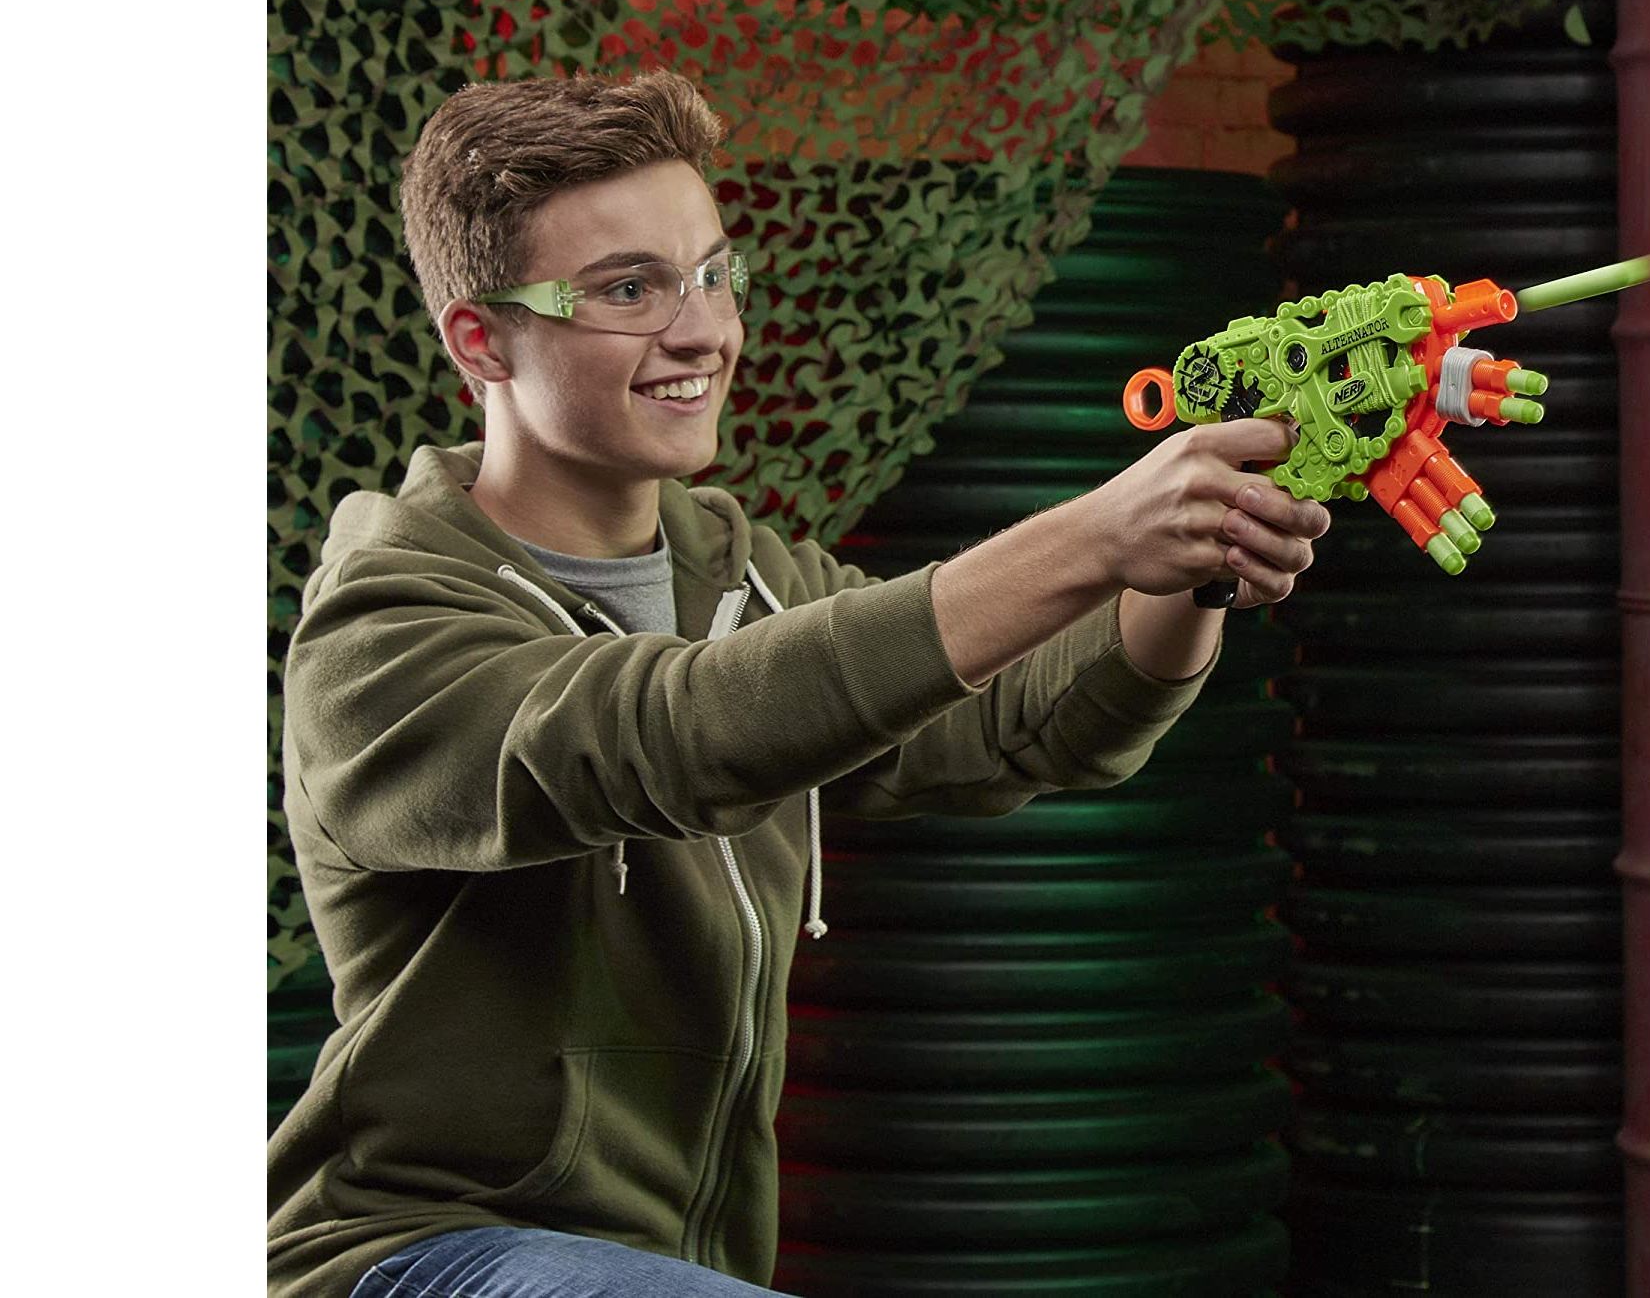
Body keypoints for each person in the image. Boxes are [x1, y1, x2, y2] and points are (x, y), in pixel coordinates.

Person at [266, 69, 1331, 1298]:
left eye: (713, 274)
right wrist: (1097, 534)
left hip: (679, 1267)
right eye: (628, 290)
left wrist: (1195, 566)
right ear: (481, 339)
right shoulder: (384, 629)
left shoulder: (747, 579)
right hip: (413, 1252)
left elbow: (1034, 726)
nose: (702, 332)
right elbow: (672, 734)